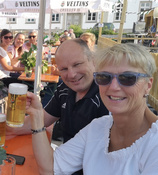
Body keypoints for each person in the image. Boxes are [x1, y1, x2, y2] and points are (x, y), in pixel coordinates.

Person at [27, 43, 157, 174]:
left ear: (148, 85)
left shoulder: (153, 145)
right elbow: (50, 167)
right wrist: (37, 116)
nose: (113, 87)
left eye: (128, 78)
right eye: (104, 77)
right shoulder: (98, 128)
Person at [10, 39, 109, 143]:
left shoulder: (107, 96)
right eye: (64, 69)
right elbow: (40, 121)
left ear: (93, 60)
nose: (71, 74)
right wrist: (1, 126)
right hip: (65, 156)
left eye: (77, 64)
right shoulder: (65, 89)